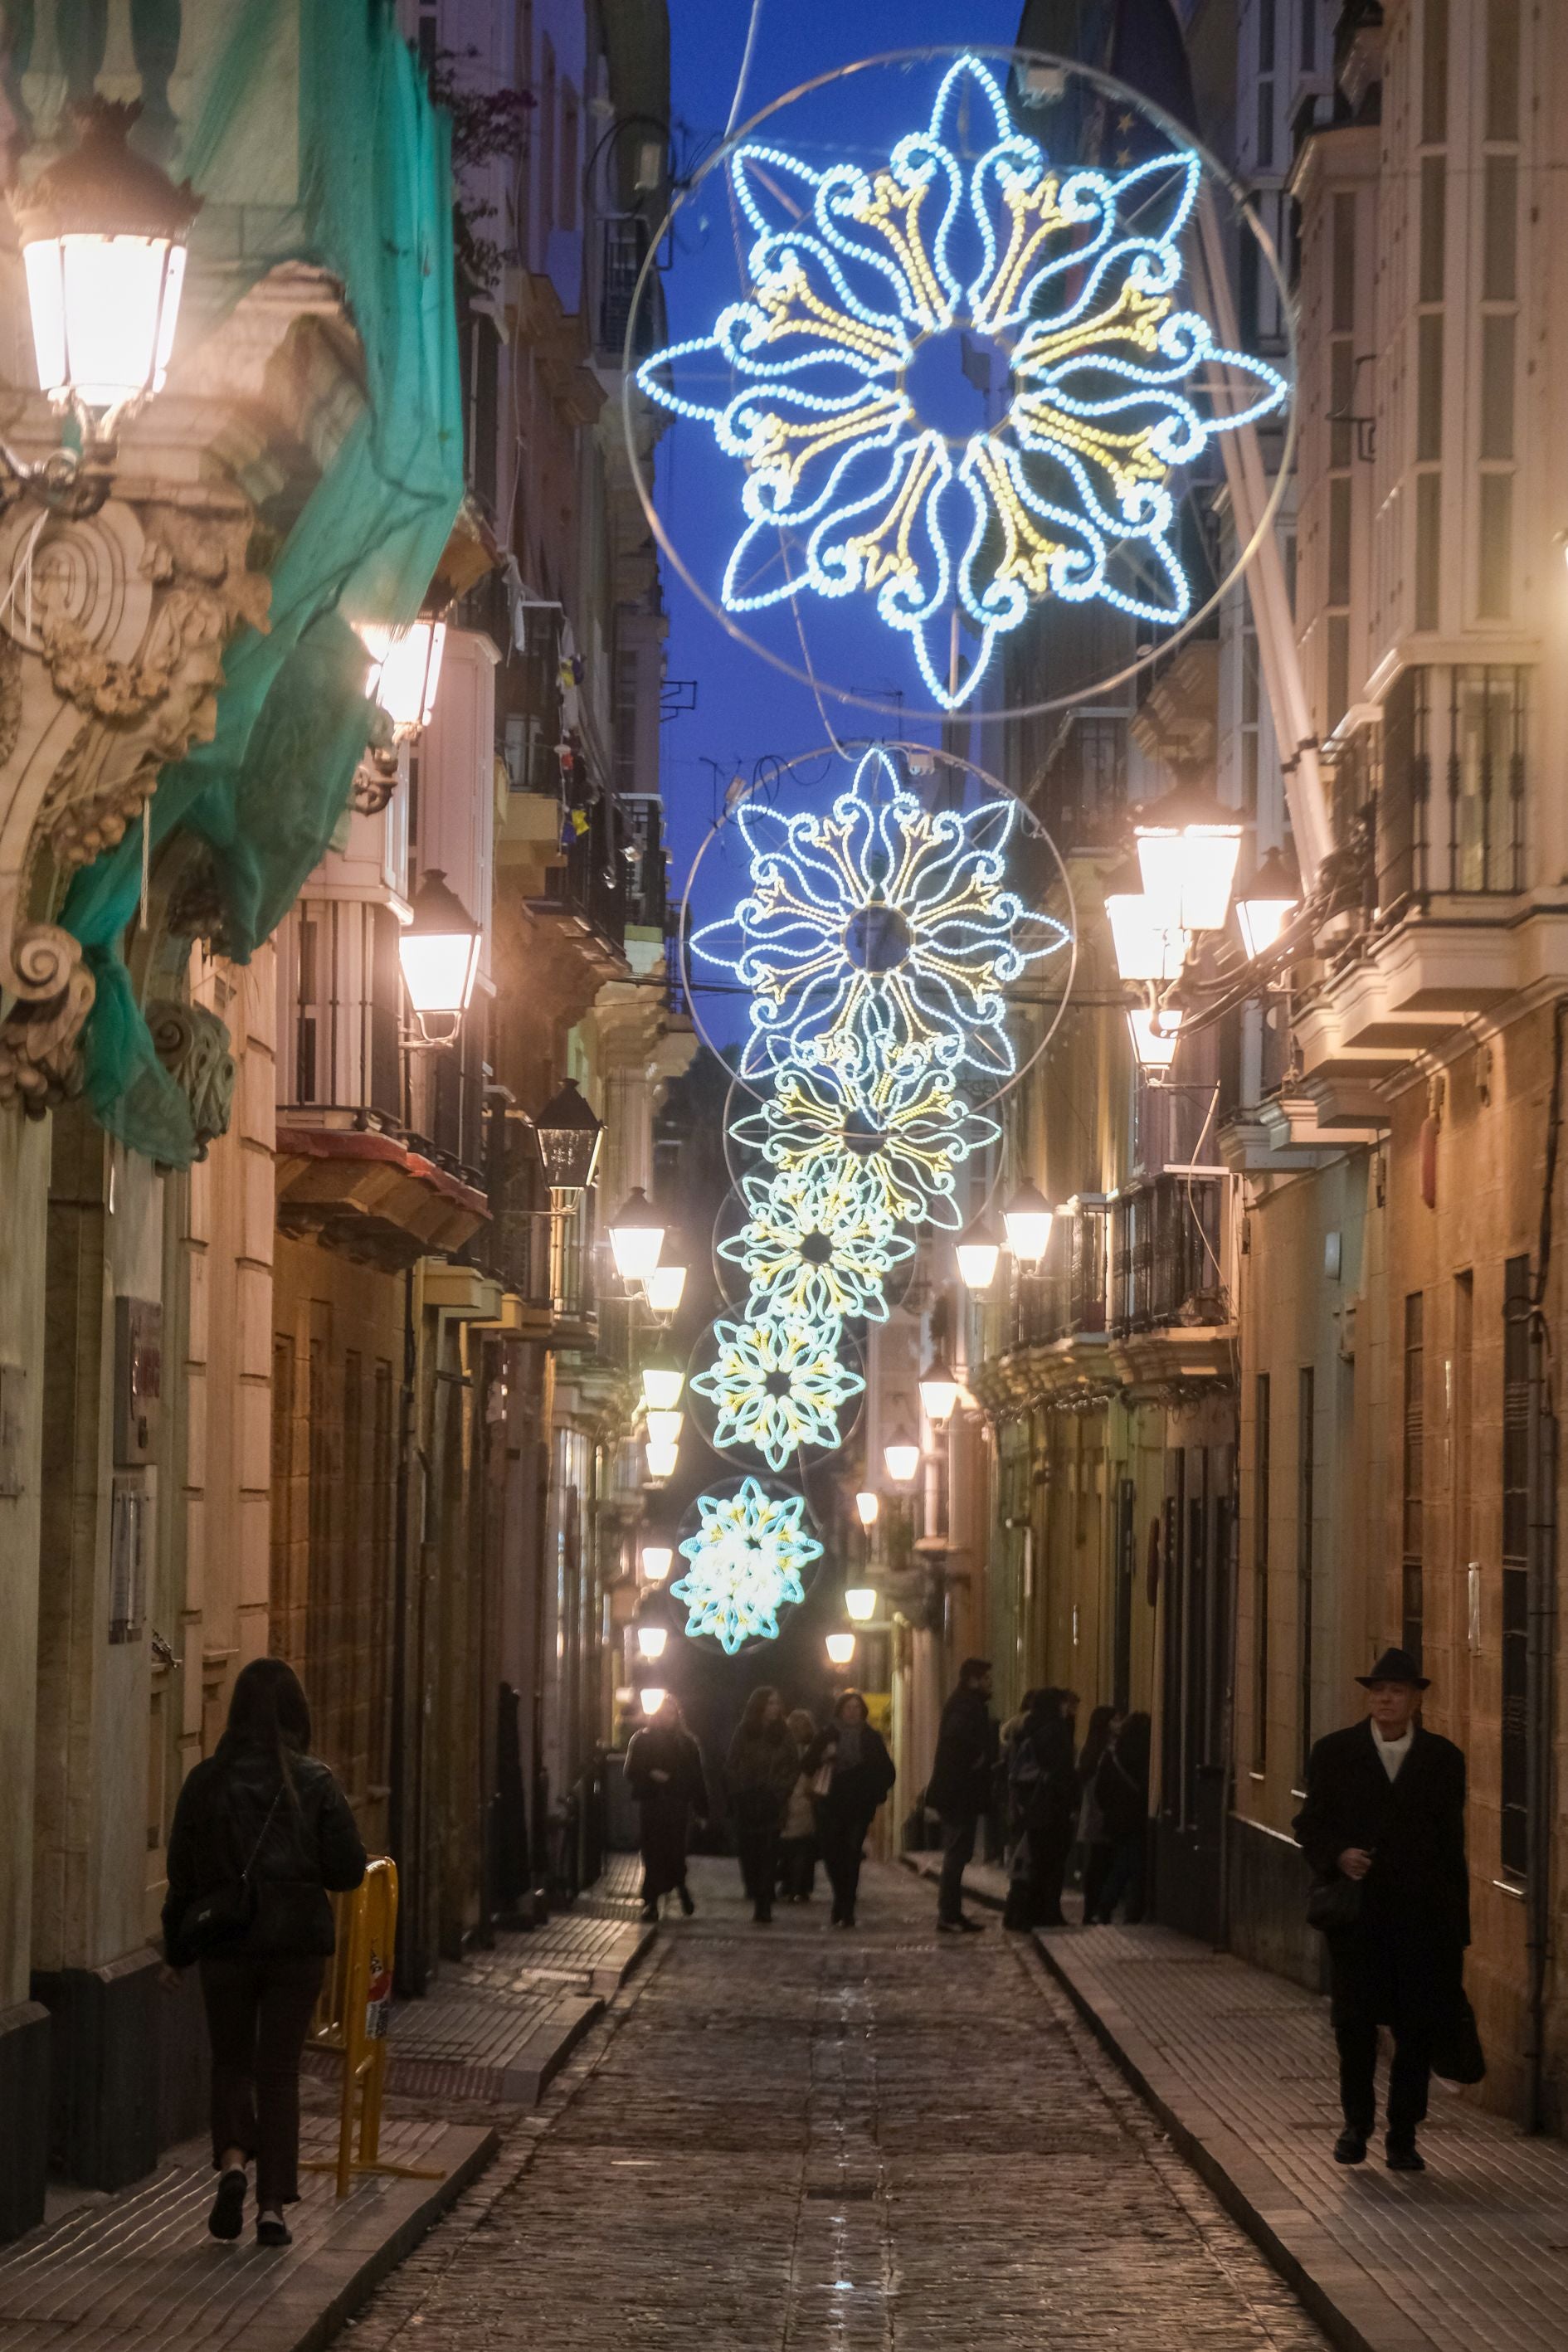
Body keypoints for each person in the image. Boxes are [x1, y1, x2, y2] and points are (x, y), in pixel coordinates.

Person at [163, 1658, 366, 2248]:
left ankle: (231, 2163)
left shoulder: (205, 1781)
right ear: (297, 1714)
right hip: (297, 1946)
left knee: (231, 2061)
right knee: (279, 2072)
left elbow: (182, 1875)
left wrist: (177, 1951)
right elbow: (348, 1869)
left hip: (227, 1942)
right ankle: (272, 2206)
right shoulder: (317, 1781)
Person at [1293, 1648, 1469, 2174]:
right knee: (1354, 2025)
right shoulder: (1335, 1752)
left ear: (1415, 1700)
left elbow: (1450, 1844)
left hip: (1421, 1918)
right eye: (1377, 1691)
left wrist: (1456, 1925)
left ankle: (1403, 2133)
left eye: (1395, 1692)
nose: (1384, 1700)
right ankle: (1356, 2126)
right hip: (1359, 1918)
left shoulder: (1442, 1759)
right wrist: (1338, 1855)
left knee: (1417, 2028)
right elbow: (1311, 1823)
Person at [804, 1690, 896, 1927]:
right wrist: (824, 1756)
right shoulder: (827, 1735)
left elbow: (888, 1771)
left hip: (859, 1807)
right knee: (833, 1856)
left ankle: (848, 1906)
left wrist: (876, 1792)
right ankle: (840, 1898)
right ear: (840, 1710)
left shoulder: (871, 1737)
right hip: (830, 1805)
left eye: (857, 1708)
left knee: (852, 1854)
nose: (852, 1712)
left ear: (863, 1711)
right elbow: (806, 1765)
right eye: (848, 1708)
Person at [927, 1658, 997, 1934]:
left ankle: (953, 1913)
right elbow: (957, 1742)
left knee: (958, 1854)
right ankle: (949, 1914)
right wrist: (977, 1757)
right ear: (974, 1680)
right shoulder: (966, 1706)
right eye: (987, 1679)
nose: (991, 1685)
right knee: (956, 1854)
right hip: (958, 1795)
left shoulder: (966, 1704)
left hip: (958, 1793)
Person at [1002, 1688, 1079, 1931]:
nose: (1066, 1708)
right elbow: (1061, 1771)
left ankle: (1026, 1914)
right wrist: (1070, 1802)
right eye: (1063, 1704)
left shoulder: (1029, 1727)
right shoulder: (1055, 1731)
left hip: (1032, 1807)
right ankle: (1047, 1913)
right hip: (1052, 1806)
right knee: (1051, 1862)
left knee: (1033, 1861)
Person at [625, 1698, 709, 1921]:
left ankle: (679, 1885)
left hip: (677, 1804)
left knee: (675, 1850)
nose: (666, 1718)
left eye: (671, 1714)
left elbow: (697, 1778)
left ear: (677, 1716)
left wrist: (702, 1810)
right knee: (652, 1852)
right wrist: (651, 1775)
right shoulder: (643, 1740)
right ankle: (651, 1900)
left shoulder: (687, 1744)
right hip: (652, 1803)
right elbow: (631, 1771)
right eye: (662, 1714)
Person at [726, 1687, 800, 1922]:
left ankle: (764, 1903)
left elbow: (793, 1765)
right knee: (752, 1852)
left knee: (769, 1852)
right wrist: (742, 1789)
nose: (774, 1708)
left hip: (774, 1801)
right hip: (748, 1801)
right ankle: (757, 1890)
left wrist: (781, 1791)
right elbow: (732, 1763)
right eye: (770, 1703)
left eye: (777, 1703)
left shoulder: (785, 1733)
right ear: (759, 1706)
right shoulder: (745, 1731)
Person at [1088, 1712, 1151, 1923]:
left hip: (1115, 1822)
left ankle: (1111, 1908)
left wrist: (1111, 1811)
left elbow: (1100, 1792)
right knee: (1130, 1866)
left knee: (1126, 1863)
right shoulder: (1146, 1757)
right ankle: (1118, 1908)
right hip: (1137, 1820)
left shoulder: (1111, 1755)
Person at [1074, 1704, 1122, 1924]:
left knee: (1094, 1865)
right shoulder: (1106, 1752)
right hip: (1103, 1813)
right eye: (1115, 1720)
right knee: (1101, 1864)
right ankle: (1098, 1909)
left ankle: (1090, 1909)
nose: (1118, 1724)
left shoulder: (1090, 1749)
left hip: (1093, 1813)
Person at [778, 1707, 820, 1903]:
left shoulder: (784, 1747)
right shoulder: (814, 1748)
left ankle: (792, 1884)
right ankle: (801, 1886)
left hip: (791, 1798)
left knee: (791, 1846)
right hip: (807, 1798)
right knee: (804, 1846)